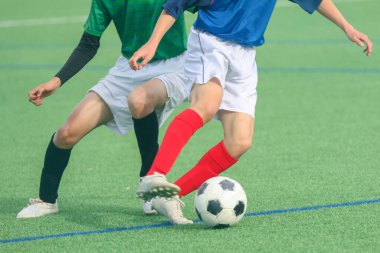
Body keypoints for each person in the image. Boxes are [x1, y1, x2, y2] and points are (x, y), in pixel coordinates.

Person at [128, 0, 373, 224]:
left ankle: (168, 196)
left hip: (245, 54)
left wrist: (347, 27)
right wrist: (152, 44)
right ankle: (155, 174)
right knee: (205, 105)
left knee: (239, 142)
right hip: (211, 42)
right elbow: (175, 5)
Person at [16, 0, 191, 220]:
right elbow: (89, 43)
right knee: (66, 133)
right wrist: (57, 81)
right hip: (130, 66)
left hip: (173, 66)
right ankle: (46, 200)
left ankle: (150, 185)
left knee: (139, 100)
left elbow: (205, 6)